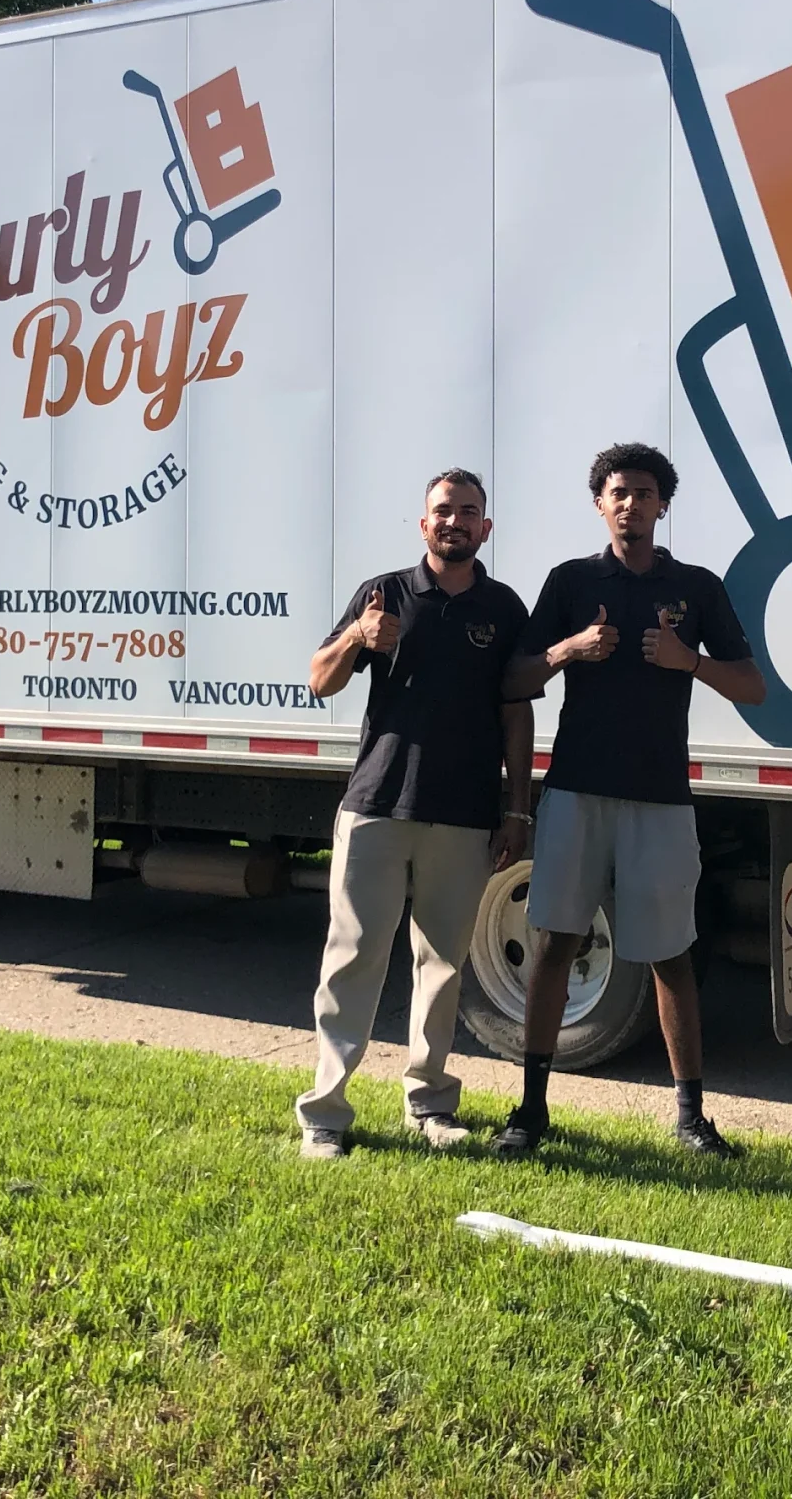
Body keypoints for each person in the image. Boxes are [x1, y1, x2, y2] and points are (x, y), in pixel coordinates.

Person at [495, 441, 767, 1159]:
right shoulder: (570, 582)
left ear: (661, 506)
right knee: (554, 942)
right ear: (600, 504)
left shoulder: (697, 587)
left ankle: (690, 1119)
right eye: (618, 492)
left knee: (671, 955)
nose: (631, 503)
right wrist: (566, 650)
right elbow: (513, 679)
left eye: (644, 493)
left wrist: (692, 663)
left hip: (660, 799)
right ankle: (530, 1111)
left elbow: (752, 685)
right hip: (576, 792)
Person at [296, 468, 535, 1158]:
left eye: (468, 512)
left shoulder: (504, 607)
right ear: (423, 524)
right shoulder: (386, 593)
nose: (454, 521)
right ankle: (326, 1112)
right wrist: (358, 639)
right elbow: (319, 678)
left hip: (463, 816)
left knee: (442, 966)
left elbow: (514, 717)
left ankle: (428, 1104)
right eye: (442, 511)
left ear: (485, 528)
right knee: (352, 958)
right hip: (376, 804)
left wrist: (516, 812)